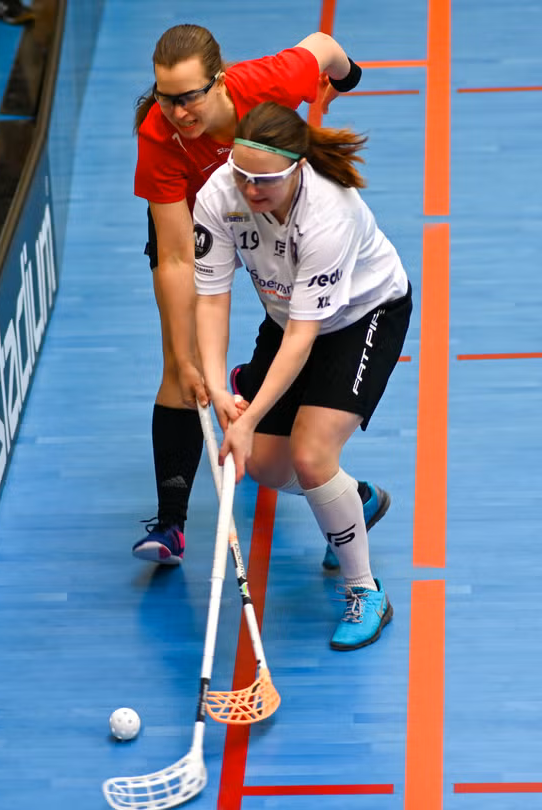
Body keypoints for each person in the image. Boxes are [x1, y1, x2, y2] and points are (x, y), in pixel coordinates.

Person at [130, 24, 385, 567]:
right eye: (165, 98)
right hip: (192, 220)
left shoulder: (267, 84)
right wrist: (186, 355)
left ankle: (254, 382)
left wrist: (346, 79)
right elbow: (176, 259)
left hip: (271, 210)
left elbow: (324, 47)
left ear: (221, 81)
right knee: (182, 368)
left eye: (189, 97)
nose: (177, 112)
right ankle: (172, 523)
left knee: (285, 318)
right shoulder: (158, 137)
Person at [193, 102, 412, 651]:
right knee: (268, 466)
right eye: (242, 174)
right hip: (286, 315)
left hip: (363, 315)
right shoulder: (218, 196)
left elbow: (303, 338)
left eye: (265, 180)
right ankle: (354, 499)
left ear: (297, 168)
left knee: (312, 456)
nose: (250, 189)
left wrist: (247, 420)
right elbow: (213, 299)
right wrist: (217, 386)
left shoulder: (329, 213)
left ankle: (365, 591)